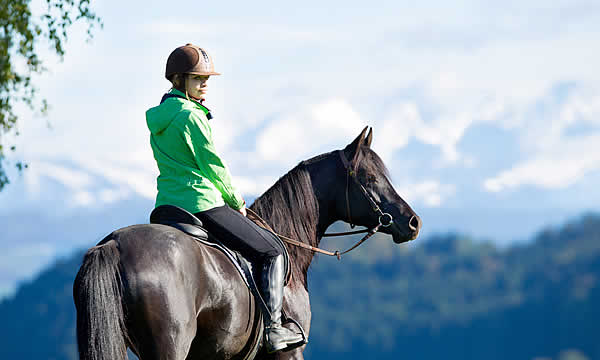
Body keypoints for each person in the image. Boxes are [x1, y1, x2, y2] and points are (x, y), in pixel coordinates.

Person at [145, 44, 303, 353]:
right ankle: (273, 331)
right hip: (202, 203)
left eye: (206, 79)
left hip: (166, 206)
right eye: (197, 79)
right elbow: (213, 164)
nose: (204, 84)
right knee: (272, 253)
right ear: (178, 80)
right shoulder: (192, 116)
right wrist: (236, 201)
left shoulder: (158, 119)